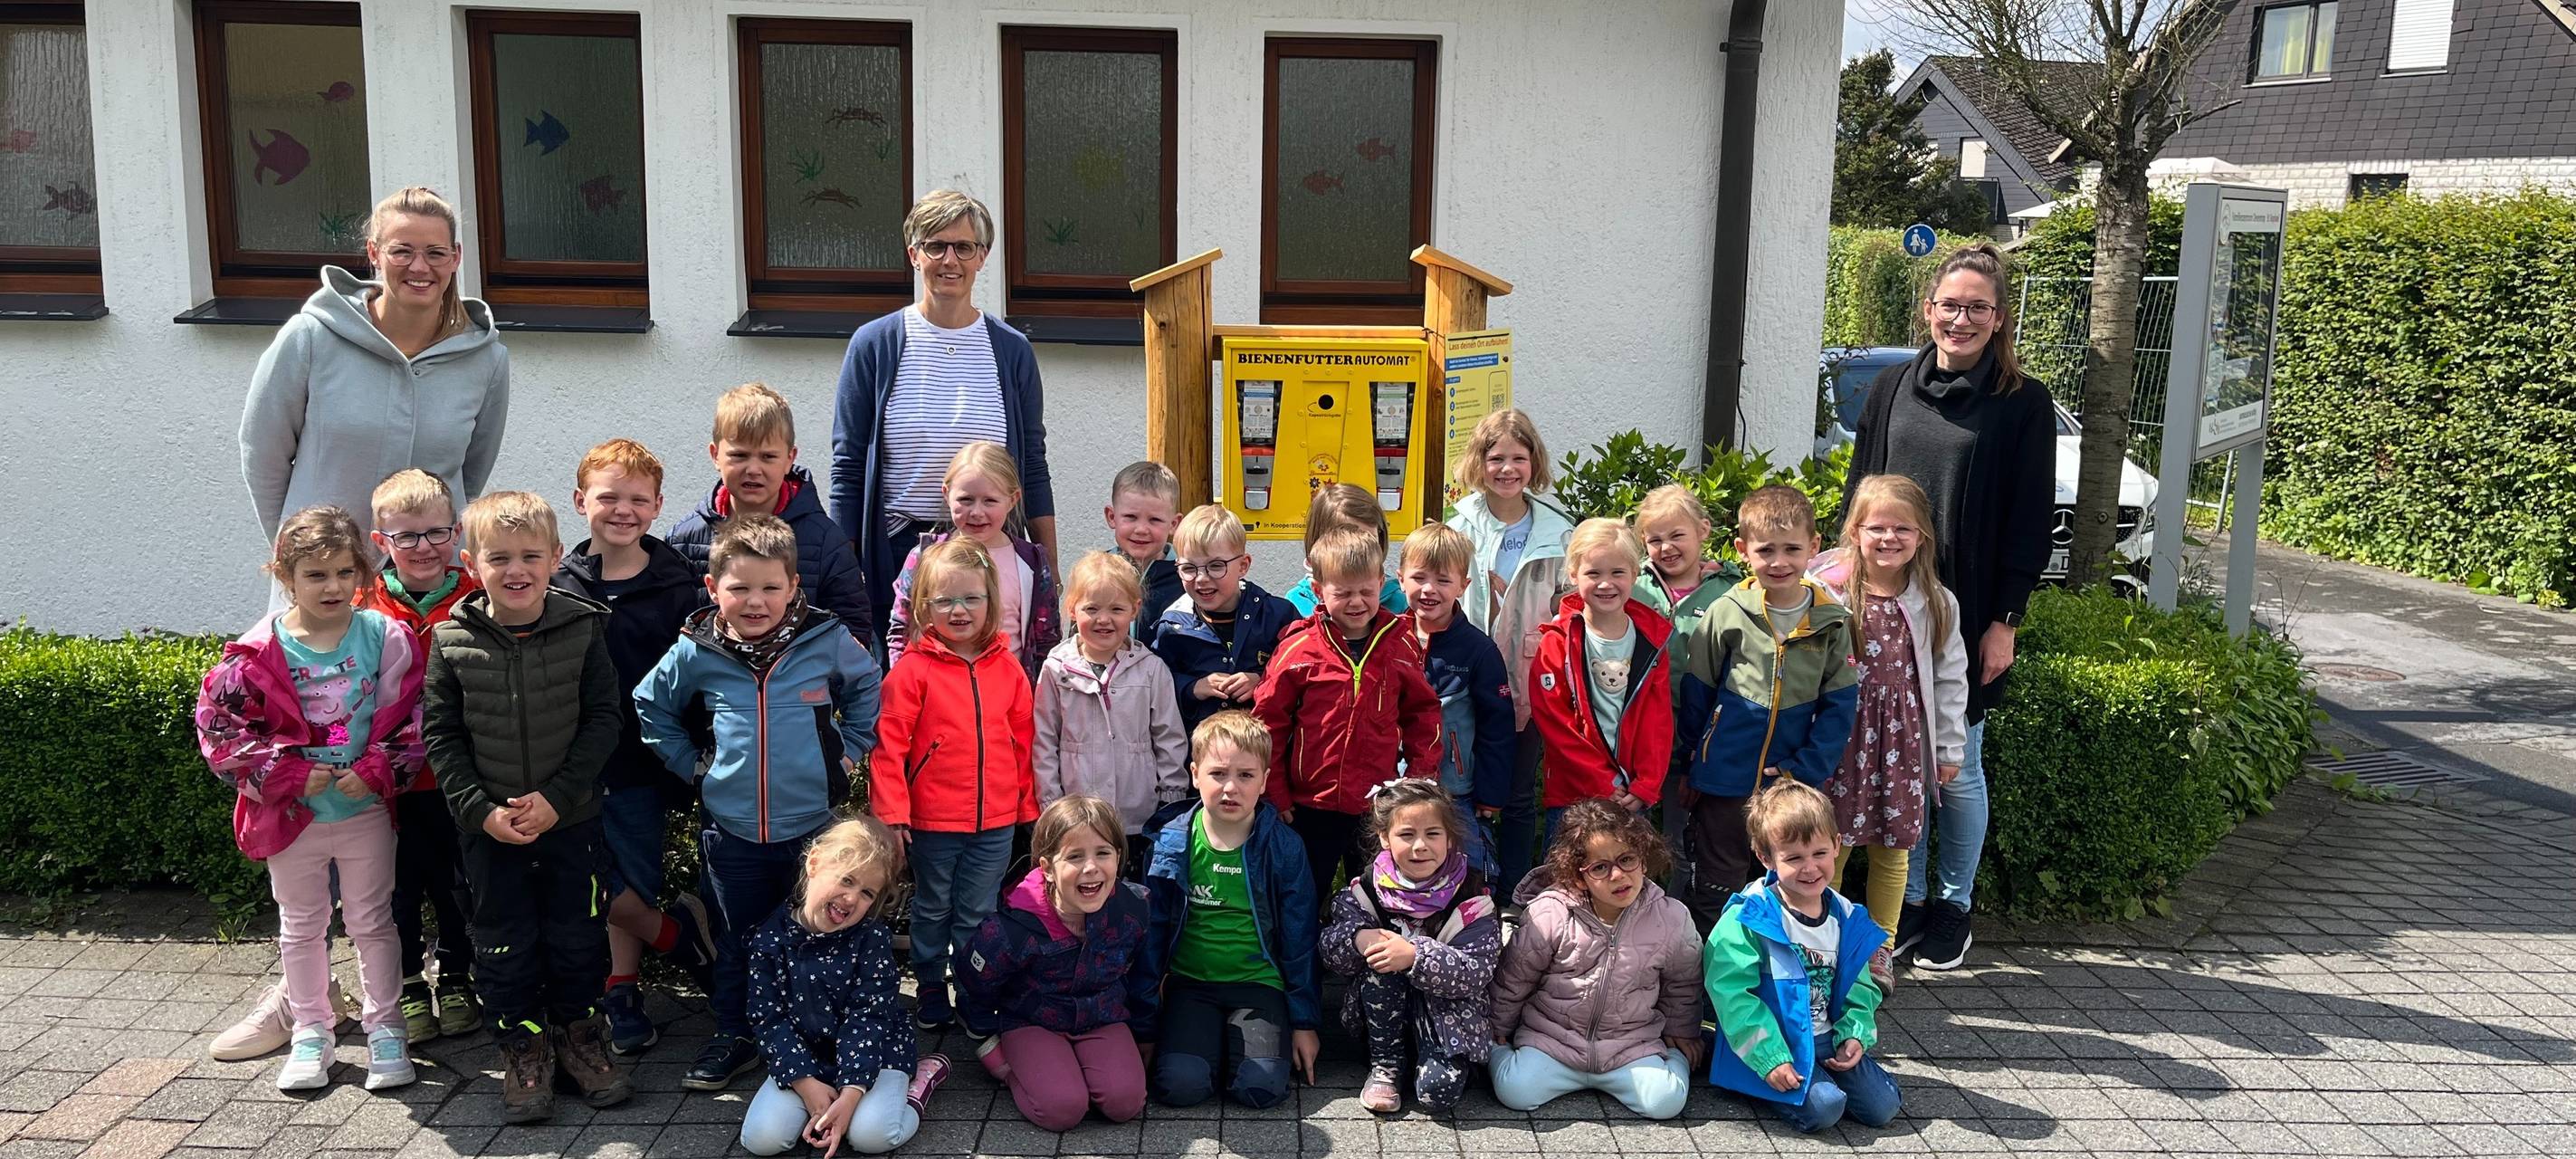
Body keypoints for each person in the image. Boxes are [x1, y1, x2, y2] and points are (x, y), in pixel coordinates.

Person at [1842, 243, 2054, 970]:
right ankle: (1912, 906)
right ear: (1928, 310)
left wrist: (2007, 621)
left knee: (1956, 766)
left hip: (1961, 613)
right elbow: (1857, 495)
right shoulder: (1893, 386)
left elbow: (2032, 519)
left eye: (1978, 309)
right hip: (1884, 606)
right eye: (1950, 305)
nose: (1961, 320)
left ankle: (1954, 904)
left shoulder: (2023, 404)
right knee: (1903, 760)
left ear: (1999, 320)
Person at [634, 513, 883, 1091]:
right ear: (713, 588)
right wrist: (694, 767)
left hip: (812, 830)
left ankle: (810, 1032)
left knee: (814, 929)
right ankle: (735, 1032)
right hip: (734, 829)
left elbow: (868, 685)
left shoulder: (824, 639)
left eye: (771, 587)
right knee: (739, 937)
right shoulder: (696, 648)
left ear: (794, 587)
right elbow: (652, 705)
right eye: (740, 587)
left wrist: (845, 755)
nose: (755, 601)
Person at [196, 506, 421, 1093]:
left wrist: (376, 770)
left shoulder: (387, 638)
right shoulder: (255, 652)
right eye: (315, 575)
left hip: (364, 812)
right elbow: (220, 732)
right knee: (300, 926)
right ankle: (312, 1032)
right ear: (285, 576)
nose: (332, 586)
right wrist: (286, 775)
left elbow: (417, 718)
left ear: (363, 574)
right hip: (292, 818)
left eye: (345, 572)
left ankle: (386, 1029)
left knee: (374, 922)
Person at [421, 493, 629, 1122]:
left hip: (571, 822)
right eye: (499, 557)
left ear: (556, 558)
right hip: (490, 831)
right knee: (503, 944)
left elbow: (604, 719)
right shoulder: (452, 638)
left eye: (532, 556)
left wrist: (557, 799)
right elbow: (442, 736)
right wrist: (481, 812)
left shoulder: (582, 626)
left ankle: (580, 1039)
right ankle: (523, 1049)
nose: (517, 570)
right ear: (471, 563)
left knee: (577, 937)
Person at [551, 438, 719, 1057]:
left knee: (634, 873)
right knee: (585, 875)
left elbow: (700, 676)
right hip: (574, 760)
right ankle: (675, 936)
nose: (623, 510)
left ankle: (622, 988)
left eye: (638, 500)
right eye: (608, 497)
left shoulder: (679, 584)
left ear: (657, 508)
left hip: (646, 762)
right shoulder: (560, 586)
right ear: (580, 502)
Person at [832, 189, 1057, 642]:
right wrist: (845, 568)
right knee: (905, 687)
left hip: (990, 549)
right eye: (935, 245)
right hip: (898, 549)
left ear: (983, 256)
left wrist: (1048, 567)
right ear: (915, 254)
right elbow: (849, 465)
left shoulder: (1011, 350)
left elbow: (1032, 463)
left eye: (964, 247)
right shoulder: (875, 344)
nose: (949, 259)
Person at [239, 187, 508, 548]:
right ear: (374, 253)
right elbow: (263, 457)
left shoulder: (485, 359)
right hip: (327, 583)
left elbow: (470, 476)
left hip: (431, 585)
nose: (419, 266)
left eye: (435, 253)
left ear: (456, 257)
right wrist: (299, 558)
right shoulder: (310, 338)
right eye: (401, 251)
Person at [868, 539, 1038, 1032]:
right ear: (923, 607)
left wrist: (1026, 806)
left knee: (979, 910)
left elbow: (1021, 741)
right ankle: (927, 983)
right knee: (933, 904)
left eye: (970, 599)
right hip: (932, 820)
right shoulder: (911, 672)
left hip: (996, 821)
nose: (958, 610)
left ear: (992, 603)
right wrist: (892, 813)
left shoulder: (1007, 668)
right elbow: (889, 748)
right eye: (944, 601)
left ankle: (971, 986)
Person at [1672, 486, 1860, 930]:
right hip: (1724, 781)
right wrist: (1693, 765)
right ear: (1742, 549)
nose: (1779, 562)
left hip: (1790, 785)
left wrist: (1804, 770)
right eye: (1766, 550)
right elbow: (1697, 695)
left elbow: (1839, 710)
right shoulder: (1726, 612)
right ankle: (1709, 991)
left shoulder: (1832, 622)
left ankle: (1775, 977)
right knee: (1718, 886)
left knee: (1785, 884)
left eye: (1792, 549)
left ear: (1813, 548)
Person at [1807, 474, 1970, 942]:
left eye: (1903, 528)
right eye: (1876, 527)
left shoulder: (1936, 602)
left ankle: (1881, 947)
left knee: (1892, 848)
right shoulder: (1826, 591)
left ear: (1922, 538)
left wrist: (1949, 749)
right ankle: (1821, 941)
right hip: (1839, 739)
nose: (1889, 538)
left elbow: (1949, 678)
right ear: (1854, 531)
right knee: (1828, 845)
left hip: (1902, 742)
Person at [349, 469, 481, 1047]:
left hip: (455, 776)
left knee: (458, 882)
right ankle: (404, 982)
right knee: (394, 888)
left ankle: (456, 977)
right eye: (407, 537)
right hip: (385, 783)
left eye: (437, 532)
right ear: (382, 542)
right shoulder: (362, 606)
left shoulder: (478, 595)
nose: (424, 547)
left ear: (457, 531)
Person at [1253, 527, 1442, 911]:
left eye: (1366, 591)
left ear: (1381, 583)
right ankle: (1303, 971)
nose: (1357, 602)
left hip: (1377, 806)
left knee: (1379, 899)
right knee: (1302, 899)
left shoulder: (1400, 642)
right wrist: (1276, 792)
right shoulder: (1299, 647)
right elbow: (1268, 724)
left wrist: (1418, 780)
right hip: (1309, 806)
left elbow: (1423, 713)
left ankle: (1370, 969)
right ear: (1319, 590)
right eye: (1343, 593)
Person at [739, 816, 950, 1156]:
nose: (851, 899)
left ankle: (916, 1089)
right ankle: (826, 1095)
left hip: (877, 1054)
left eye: (866, 892)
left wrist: (852, 1092)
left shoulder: (871, 939)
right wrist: (806, 1085)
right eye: (846, 880)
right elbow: (767, 1018)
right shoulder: (769, 939)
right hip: (805, 1056)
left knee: (871, 1137)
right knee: (762, 1140)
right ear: (814, 863)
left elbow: (869, 1018)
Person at [1141, 712, 1321, 1109]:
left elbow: (1300, 940)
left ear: (1264, 779)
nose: (1230, 788)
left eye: (1245, 775)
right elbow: (1152, 936)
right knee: (1179, 1087)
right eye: (1218, 773)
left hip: (1258, 986)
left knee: (1260, 1090)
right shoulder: (1172, 844)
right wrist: (1144, 1026)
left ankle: (1238, 1047)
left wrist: (1304, 1023)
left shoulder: (1284, 847)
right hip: (1191, 984)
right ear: (1194, 774)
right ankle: (1201, 1042)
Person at [1703, 781, 1900, 1133]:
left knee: (1883, 1108)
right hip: (1774, 1040)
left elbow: (1861, 986)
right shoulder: (1750, 917)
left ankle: (1817, 1075)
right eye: (1794, 858)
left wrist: (1854, 1034)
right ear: (1766, 858)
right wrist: (1770, 1060)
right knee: (1826, 1110)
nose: (1810, 868)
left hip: (1826, 1036)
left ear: (1837, 846)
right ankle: (1754, 1080)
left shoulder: (1846, 916)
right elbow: (1731, 994)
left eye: (1819, 853)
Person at [1489, 800, 1703, 1120]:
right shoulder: (1550, 913)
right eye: (1600, 868)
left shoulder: (1671, 918)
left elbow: (1683, 983)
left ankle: (1673, 1059)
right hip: (1553, 1039)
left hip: (1630, 1045)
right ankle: (1494, 1053)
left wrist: (1682, 1031)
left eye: (1627, 859)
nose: (1618, 875)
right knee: (1515, 1091)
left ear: (1643, 859)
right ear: (1578, 877)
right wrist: (1496, 1027)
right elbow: (1514, 978)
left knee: (1665, 1102)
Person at [955, 795, 1156, 1131]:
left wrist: (1144, 1031)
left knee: (1125, 1103)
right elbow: (974, 982)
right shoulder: (1013, 928)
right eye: (1075, 856)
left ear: (1119, 857)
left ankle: (1074, 1071)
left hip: (1101, 1017)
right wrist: (988, 1042)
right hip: (1033, 1022)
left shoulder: (1133, 910)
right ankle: (1021, 1070)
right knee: (1062, 1110)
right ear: (1047, 868)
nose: (1091, 868)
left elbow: (1138, 971)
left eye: (1103, 853)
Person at [1442, 408, 1572, 894]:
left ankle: (1516, 894)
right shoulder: (1459, 524)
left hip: (1530, 676)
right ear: (1479, 461)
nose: (1507, 469)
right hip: (1465, 674)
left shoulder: (1559, 530)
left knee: (1517, 794)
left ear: (1533, 463)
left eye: (1519, 458)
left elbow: (1569, 605)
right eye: (1496, 458)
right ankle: (1463, 889)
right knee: (1458, 788)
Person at [1317, 780, 1498, 1116]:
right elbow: (1329, 949)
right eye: (1406, 835)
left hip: (1448, 1019)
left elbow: (1477, 971)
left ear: (1449, 838)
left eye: (1432, 834)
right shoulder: (1367, 889)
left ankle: (1450, 1059)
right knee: (1382, 963)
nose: (1420, 846)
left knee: (1436, 1095)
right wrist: (1358, 939)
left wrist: (1415, 955)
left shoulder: (1472, 896)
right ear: (1385, 837)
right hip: (1383, 1020)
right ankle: (1386, 1064)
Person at [670, 384, 873, 646]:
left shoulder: (825, 541)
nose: (753, 469)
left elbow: (853, 628)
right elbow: (669, 630)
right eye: (739, 455)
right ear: (715, 455)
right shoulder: (683, 540)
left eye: (768, 457)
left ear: (790, 458)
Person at [1035, 553, 1190, 875]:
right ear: (1072, 610)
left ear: (1134, 610)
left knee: (1131, 891)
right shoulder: (1056, 670)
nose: (1104, 619)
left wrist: (1170, 797)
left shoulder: (1150, 669)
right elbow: (1044, 739)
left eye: (1116, 609)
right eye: (1092, 609)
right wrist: (1052, 802)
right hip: (1076, 812)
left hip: (1136, 813)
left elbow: (1169, 736)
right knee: (1083, 886)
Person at [1526, 520, 1674, 840]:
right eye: (1594, 574)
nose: (1606, 583)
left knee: (1625, 882)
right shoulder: (1557, 642)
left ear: (1635, 575)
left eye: (1617, 573)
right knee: (1567, 885)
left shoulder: (1653, 640)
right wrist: (1603, 783)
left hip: (1632, 796)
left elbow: (1657, 720)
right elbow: (1555, 724)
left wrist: (1647, 783)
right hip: (1573, 795)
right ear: (1573, 576)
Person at [1396, 523, 1514, 876]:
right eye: (1419, 578)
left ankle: (1473, 924)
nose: (1429, 590)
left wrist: (1491, 794)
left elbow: (1498, 728)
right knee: (1400, 868)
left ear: (1463, 585)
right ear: (1400, 579)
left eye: (1443, 581)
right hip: (1396, 785)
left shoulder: (1478, 650)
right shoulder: (1388, 638)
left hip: (1455, 789)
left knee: (1468, 870)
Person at [884, 441, 1059, 678]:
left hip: (1009, 700)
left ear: (1013, 499)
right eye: (966, 500)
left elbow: (1046, 638)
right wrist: (903, 683)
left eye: (990, 501)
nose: (977, 512)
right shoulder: (924, 557)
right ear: (947, 494)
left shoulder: (1031, 562)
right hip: (938, 695)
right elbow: (901, 629)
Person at [1149, 504, 1300, 738]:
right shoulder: (1172, 627)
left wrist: (1261, 680)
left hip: (1267, 756)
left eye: (1216, 566)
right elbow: (1157, 686)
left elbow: (1301, 674)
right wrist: (1192, 687)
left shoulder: (1278, 616)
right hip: (1203, 759)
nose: (1202, 579)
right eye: (1189, 568)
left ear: (1243, 565)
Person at [1281, 484, 1408, 616]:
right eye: (1346, 542)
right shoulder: (1298, 602)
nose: (1360, 552)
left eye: (1370, 540)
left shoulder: (1399, 600)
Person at [1103, 461, 1183, 629]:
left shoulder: (1186, 577)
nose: (1141, 529)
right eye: (1131, 517)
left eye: (1155, 520)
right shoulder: (1096, 573)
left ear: (1174, 524)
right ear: (1112, 517)